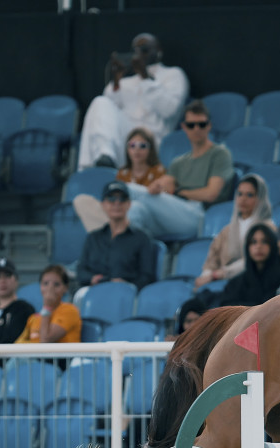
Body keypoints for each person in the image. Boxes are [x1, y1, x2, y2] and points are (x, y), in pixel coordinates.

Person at [124, 100, 234, 241]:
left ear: (209, 126)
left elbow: (211, 194)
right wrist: (157, 187)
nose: (196, 129)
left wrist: (179, 192)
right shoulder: (178, 162)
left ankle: (104, 224)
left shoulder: (220, 154)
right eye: (191, 125)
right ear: (184, 127)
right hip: (173, 214)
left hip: (199, 215)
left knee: (129, 190)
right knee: (135, 209)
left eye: (201, 124)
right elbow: (162, 185)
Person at [76, 33, 188, 169]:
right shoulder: (125, 82)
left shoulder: (173, 75)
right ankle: (101, 161)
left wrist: (146, 78)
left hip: (153, 141)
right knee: (100, 102)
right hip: (125, 140)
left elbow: (169, 110)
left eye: (144, 49)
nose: (140, 53)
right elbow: (103, 115)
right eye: (136, 50)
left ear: (158, 52)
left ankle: (103, 164)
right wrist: (116, 80)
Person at [195, 174, 274, 289]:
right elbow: (212, 260)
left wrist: (219, 274)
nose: (243, 199)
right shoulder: (226, 230)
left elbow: (253, 260)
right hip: (222, 284)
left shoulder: (268, 228)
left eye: (250, 195)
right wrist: (206, 276)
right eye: (240, 194)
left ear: (260, 199)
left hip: (253, 285)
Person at [75, 181, 157, 289]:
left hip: (126, 295)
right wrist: (94, 279)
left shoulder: (142, 238)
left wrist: (126, 286)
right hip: (94, 291)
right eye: (111, 199)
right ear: (103, 205)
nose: (117, 203)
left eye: (122, 199)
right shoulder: (93, 237)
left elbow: (147, 276)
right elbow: (81, 271)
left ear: (129, 204)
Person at [218, 224, 280, 307]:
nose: (258, 246)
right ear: (247, 247)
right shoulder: (237, 282)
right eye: (253, 242)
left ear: (272, 246)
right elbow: (226, 306)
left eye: (264, 241)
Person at [17, 265, 82, 345]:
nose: (50, 288)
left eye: (56, 284)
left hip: (61, 357)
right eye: (45, 283)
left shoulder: (70, 311)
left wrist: (47, 307)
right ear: (40, 286)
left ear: (65, 288)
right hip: (32, 357)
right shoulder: (34, 318)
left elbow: (45, 341)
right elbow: (18, 343)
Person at [0, 258, 35, 346]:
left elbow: (13, 338)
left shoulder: (23, 309)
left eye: (7, 275)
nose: (2, 281)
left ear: (16, 280)